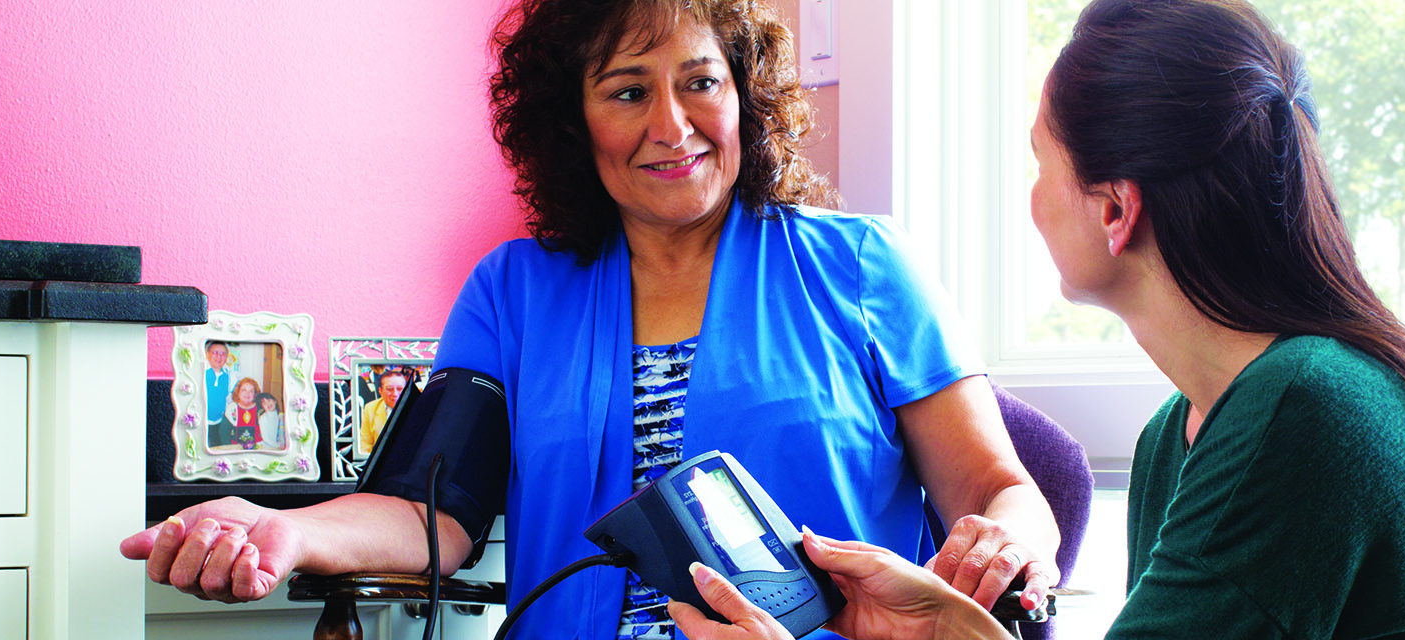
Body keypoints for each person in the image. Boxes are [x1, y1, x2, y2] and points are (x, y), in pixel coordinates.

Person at [119, 1, 1060, 638]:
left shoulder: (863, 265)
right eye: (626, 90)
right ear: (573, 122)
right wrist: (291, 532)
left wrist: (1010, 537)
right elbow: (435, 513)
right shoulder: (511, 293)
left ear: (743, 92)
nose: (673, 122)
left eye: (701, 81)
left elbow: (997, 487)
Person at [671, 0, 1405, 638]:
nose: (1029, 198)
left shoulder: (1307, 409)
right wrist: (950, 629)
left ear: (1115, 209)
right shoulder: (1172, 442)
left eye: (1040, 162)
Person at [357, 368, 408, 457]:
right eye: (389, 389)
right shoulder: (371, 408)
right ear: (380, 391)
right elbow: (364, 444)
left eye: (400, 389)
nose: (395, 394)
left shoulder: (417, 406)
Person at [223, 377, 263, 450]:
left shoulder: (261, 410)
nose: (247, 394)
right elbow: (224, 434)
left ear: (255, 394)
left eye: (251, 391)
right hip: (234, 450)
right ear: (238, 392)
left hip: (256, 450)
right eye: (244, 390)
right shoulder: (231, 409)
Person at [202, 342, 231, 427]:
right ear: (207, 354)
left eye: (223, 354)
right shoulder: (200, 372)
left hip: (220, 422)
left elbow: (230, 398)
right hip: (201, 422)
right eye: (215, 353)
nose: (219, 357)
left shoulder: (229, 375)